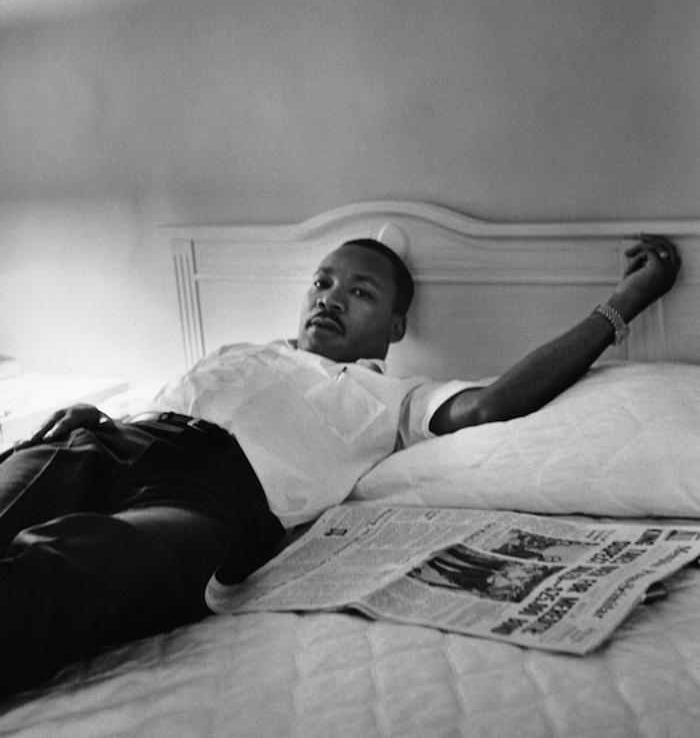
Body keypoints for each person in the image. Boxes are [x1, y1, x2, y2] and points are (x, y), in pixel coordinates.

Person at [0, 233, 680, 696]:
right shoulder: (237, 350)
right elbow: (164, 403)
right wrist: (89, 413)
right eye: (322, 282)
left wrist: (629, 300)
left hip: (207, 497)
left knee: (87, 562)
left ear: (393, 328)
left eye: (360, 292)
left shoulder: (390, 398)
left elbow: (494, 403)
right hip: (104, 443)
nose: (329, 296)